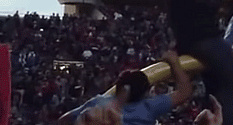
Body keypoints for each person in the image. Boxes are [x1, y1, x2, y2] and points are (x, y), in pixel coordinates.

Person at [59, 50, 193, 125]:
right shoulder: (148, 108)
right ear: (144, 94)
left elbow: (64, 120)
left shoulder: (98, 103)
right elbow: (185, 91)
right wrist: (174, 62)